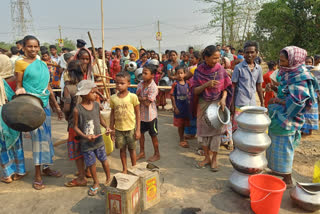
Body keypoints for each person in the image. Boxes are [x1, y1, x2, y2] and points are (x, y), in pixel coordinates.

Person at [15, 35, 63, 190]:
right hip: (31, 107)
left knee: (47, 139)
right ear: (23, 47)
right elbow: (19, 85)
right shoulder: (20, 63)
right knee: (37, 141)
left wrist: (56, 106)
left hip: (45, 106)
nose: (33, 49)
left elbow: (47, 87)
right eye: (30, 46)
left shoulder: (42, 63)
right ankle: (37, 175)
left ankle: (47, 167)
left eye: (36, 46)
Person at [267, 46, 318, 186]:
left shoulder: (300, 77)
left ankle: (288, 178)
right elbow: (287, 92)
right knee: (275, 146)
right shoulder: (288, 73)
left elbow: (297, 103)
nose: (281, 64)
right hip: (279, 117)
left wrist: (277, 100)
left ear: (294, 60)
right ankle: (277, 171)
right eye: (280, 60)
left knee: (284, 149)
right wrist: (275, 90)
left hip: (288, 119)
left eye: (283, 61)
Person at [193, 45, 232, 171]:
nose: (216, 60)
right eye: (214, 58)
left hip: (217, 104)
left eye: (218, 58)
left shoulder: (220, 69)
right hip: (204, 103)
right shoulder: (199, 71)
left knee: (216, 133)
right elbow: (195, 91)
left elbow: (226, 87)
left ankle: (214, 159)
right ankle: (207, 158)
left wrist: (223, 99)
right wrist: (207, 84)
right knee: (203, 133)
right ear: (206, 57)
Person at [73, 80, 111, 196]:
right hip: (86, 143)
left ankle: (108, 179)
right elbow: (75, 127)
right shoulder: (77, 109)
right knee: (91, 163)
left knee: (104, 160)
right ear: (85, 94)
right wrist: (85, 136)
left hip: (98, 141)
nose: (96, 95)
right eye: (93, 92)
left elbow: (100, 119)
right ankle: (96, 182)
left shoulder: (96, 106)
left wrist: (107, 127)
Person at [0, 55, 26, 183]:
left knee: (2, 146)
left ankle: (7, 175)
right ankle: (20, 171)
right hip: (13, 116)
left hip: (0, 119)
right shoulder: (15, 79)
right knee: (17, 144)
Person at [62, 60, 88, 187]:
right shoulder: (87, 86)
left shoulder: (68, 88)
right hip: (88, 122)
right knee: (87, 148)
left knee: (77, 151)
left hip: (75, 123)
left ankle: (82, 177)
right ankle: (87, 171)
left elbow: (67, 108)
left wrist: (66, 116)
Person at [110, 72, 140, 173]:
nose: (119, 85)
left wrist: (138, 130)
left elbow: (138, 113)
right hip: (119, 129)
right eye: (117, 83)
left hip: (131, 128)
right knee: (122, 150)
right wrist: (111, 129)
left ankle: (134, 168)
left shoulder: (133, 97)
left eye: (122, 83)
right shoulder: (113, 98)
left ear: (128, 84)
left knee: (132, 149)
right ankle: (124, 169)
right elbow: (112, 114)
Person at [231, 41, 264, 131]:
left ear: (256, 53)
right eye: (247, 52)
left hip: (252, 105)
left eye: (252, 52)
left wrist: (262, 102)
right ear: (244, 54)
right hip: (240, 104)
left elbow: (259, 86)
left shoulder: (259, 69)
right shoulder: (238, 68)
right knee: (238, 129)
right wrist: (232, 104)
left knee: (249, 129)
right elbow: (233, 87)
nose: (249, 55)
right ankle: (236, 145)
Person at [136, 64, 160, 162]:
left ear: (152, 75)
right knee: (140, 134)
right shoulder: (141, 83)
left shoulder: (153, 87)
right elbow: (136, 95)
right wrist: (143, 98)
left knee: (153, 135)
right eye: (142, 73)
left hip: (151, 116)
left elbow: (147, 103)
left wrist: (141, 98)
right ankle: (142, 152)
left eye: (146, 73)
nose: (143, 75)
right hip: (141, 115)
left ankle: (157, 153)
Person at [170, 66, 191, 148]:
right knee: (180, 124)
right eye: (178, 73)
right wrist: (175, 107)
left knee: (186, 123)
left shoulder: (188, 83)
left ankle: (185, 136)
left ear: (185, 74)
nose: (179, 75)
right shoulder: (175, 84)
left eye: (181, 73)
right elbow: (172, 96)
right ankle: (181, 139)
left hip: (186, 107)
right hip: (179, 107)